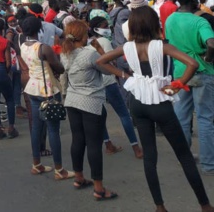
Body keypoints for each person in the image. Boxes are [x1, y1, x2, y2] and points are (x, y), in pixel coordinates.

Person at [97, 6, 214, 212]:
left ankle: (160, 206)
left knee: (150, 157)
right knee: (184, 156)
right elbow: (192, 64)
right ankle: (205, 205)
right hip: (160, 102)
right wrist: (177, 85)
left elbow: (101, 61)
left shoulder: (127, 47)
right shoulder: (161, 46)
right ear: (154, 24)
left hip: (138, 102)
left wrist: (124, 75)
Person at [61, 20, 119, 200]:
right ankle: (99, 188)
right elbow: (109, 71)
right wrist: (100, 50)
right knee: (94, 143)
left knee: (78, 139)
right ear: (84, 35)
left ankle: (78, 177)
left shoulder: (66, 54)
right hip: (91, 101)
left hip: (72, 100)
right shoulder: (90, 54)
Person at [165, 0, 214, 176]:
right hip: (202, 71)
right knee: (205, 119)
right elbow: (211, 43)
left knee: (182, 118)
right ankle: (209, 164)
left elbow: (170, 43)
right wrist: (208, 57)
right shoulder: (199, 22)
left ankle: (184, 159)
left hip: (180, 73)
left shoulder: (170, 20)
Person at [20, 16, 71, 180]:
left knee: (36, 127)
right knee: (53, 130)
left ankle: (37, 164)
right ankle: (59, 169)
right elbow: (59, 68)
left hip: (33, 88)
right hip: (48, 89)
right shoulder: (43, 48)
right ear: (39, 29)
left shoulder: (23, 46)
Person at [88, 16, 143, 159]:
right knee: (124, 114)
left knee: (101, 116)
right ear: (97, 28)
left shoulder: (89, 42)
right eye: (105, 26)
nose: (108, 29)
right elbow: (110, 60)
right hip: (109, 81)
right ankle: (136, 147)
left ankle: (108, 145)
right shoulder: (105, 41)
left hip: (97, 83)